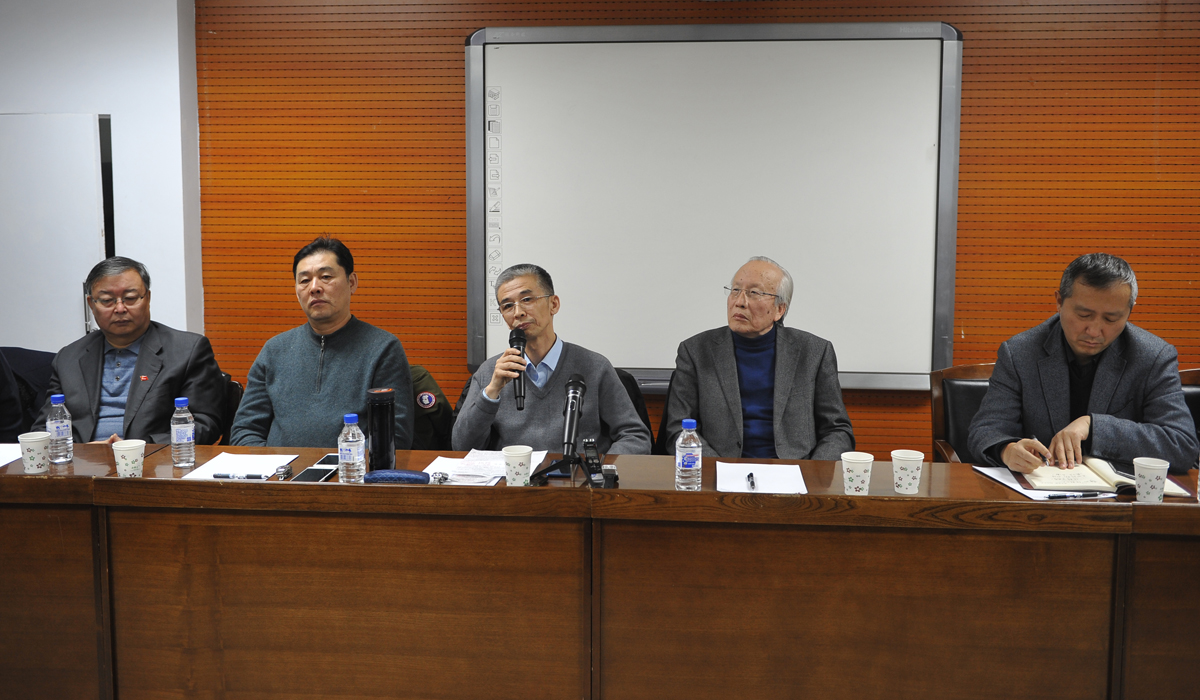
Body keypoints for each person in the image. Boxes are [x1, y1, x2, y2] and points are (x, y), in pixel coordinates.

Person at [968, 253, 1198, 474]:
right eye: (1084, 315)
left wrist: (1094, 427)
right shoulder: (1020, 353)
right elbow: (986, 429)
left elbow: (1181, 445)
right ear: (1059, 301)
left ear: (1129, 311)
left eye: (1111, 319)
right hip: (1039, 490)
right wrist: (1006, 450)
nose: (1094, 331)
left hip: (1120, 494)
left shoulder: (1153, 357)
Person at [230, 237, 414, 448]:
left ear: (352, 282)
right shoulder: (274, 350)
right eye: (304, 280)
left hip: (351, 468)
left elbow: (393, 437)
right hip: (280, 469)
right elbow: (244, 431)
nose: (314, 288)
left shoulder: (383, 348)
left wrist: (339, 466)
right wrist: (275, 466)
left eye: (326, 277)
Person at [662, 256, 855, 459]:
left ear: (779, 309)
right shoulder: (695, 351)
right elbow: (678, 429)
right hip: (720, 469)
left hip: (794, 471)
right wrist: (718, 468)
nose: (739, 302)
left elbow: (837, 430)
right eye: (735, 290)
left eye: (754, 293)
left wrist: (812, 471)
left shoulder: (814, 352)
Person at [452, 264, 651, 454]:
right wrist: (492, 391)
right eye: (508, 306)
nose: (518, 312)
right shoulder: (490, 372)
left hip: (577, 475)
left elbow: (635, 436)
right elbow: (461, 447)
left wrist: (600, 469)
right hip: (516, 475)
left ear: (553, 304)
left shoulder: (595, 367)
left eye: (527, 299)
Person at [35, 257, 225, 444]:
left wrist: (138, 447)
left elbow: (206, 424)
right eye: (107, 300)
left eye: (130, 298)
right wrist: (84, 453)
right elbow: (44, 428)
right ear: (91, 304)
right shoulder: (69, 358)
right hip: (82, 460)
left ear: (148, 298)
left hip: (153, 460)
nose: (120, 308)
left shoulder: (186, 351)